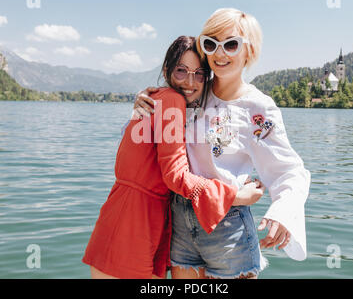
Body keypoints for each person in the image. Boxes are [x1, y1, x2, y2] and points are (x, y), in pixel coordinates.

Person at [134, 8, 311, 279]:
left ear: (248, 52)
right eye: (211, 44)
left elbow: (288, 168)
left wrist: (285, 211)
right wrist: (144, 99)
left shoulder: (257, 107)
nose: (220, 53)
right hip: (181, 221)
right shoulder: (194, 91)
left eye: (230, 44)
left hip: (228, 230)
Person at [82, 35, 264, 279]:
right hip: (133, 226)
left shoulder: (161, 100)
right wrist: (235, 197)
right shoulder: (171, 100)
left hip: (131, 219)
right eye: (181, 71)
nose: (190, 81)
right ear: (167, 71)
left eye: (199, 73)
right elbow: (176, 176)